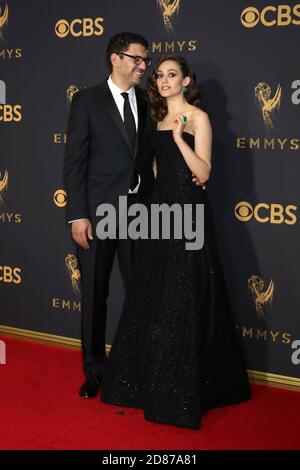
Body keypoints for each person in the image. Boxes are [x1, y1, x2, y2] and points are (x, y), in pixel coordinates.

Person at [100, 54, 251, 428]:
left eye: (172, 75)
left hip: (189, 214)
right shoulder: (156, 120)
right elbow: (155, 171)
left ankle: (187, 386)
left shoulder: (198, 118)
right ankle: (148, 380)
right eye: (160, 75)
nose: (165, 80)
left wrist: (181, 140)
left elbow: (204, 172)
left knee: (187, 296)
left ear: (186, 81)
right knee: (155, 295)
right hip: (160, 214)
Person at [64, 32, 152, 399]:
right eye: (137, 59)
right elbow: (74, 162)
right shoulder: (86, 100)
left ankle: (136, 367)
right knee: (95, 296)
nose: (144, 66)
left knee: (140, 294)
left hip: (139, 214)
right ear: (115, 58)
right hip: (97, 215)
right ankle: (94, 371)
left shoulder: (149, 102)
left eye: (146, 60)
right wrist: (77, 215)